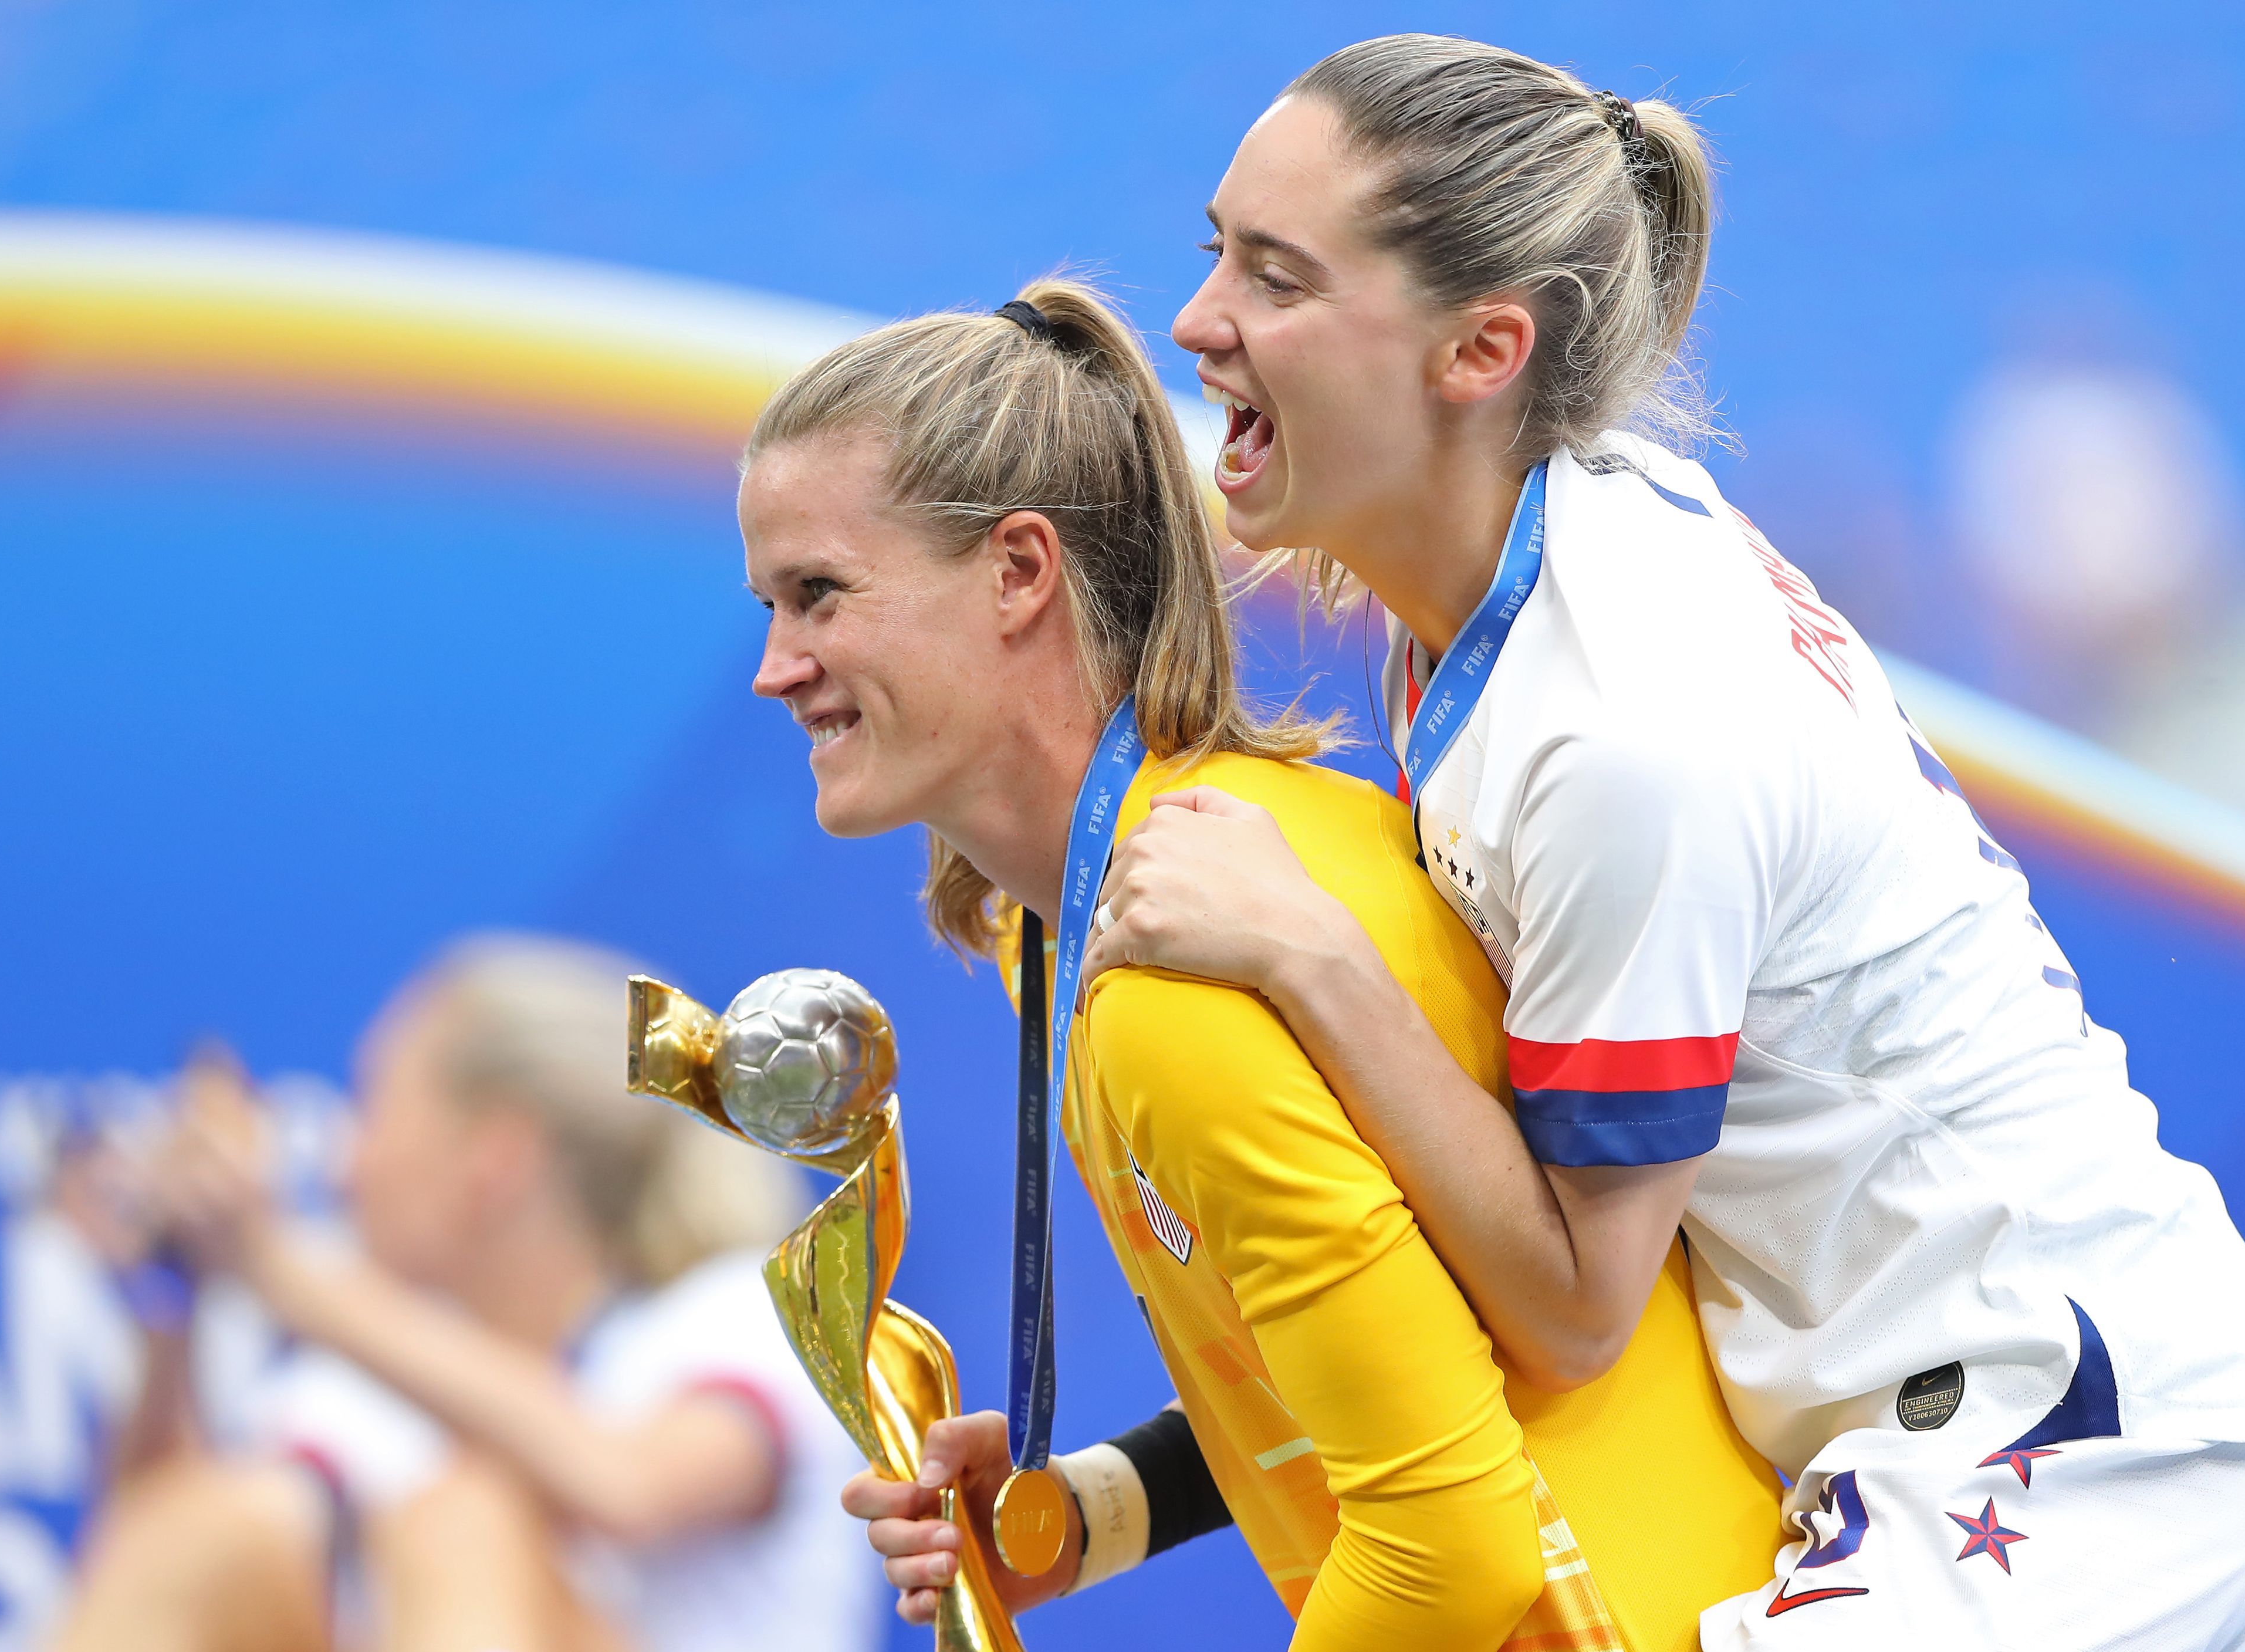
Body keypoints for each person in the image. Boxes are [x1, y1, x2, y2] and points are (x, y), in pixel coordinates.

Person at [1074, 33, 2245, 1650]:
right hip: (1971, 1419)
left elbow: (1571, 1310)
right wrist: (1111, 1503)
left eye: (1278, 276)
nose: (1198, 320)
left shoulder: (1618, 731)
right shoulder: (1513, 596)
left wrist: (1312, 959)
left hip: (2073, 1443)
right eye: (1214, 252)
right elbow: (1425, 1248)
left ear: (1480, 349)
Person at [741, 275, 1784, 1651]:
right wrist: (1081, 1512)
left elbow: (1451, 1544)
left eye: (819, 596)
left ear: (1017, 573)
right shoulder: (1109, 912)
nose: (776, 666)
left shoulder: (1179, 982)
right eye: (772, 603)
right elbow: (1377, 1371)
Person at [49, 933, 874, 1652]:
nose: (346, 1163)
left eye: (372, 1107)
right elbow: (161, 1548)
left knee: (465, 1520)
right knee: (227, 1531)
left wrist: (275, 1268)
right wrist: (171, 1301)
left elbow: (629, 1486)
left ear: (496, 1155)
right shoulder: (369, 1383)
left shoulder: (731, 1314)